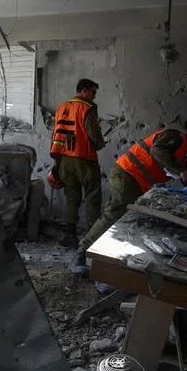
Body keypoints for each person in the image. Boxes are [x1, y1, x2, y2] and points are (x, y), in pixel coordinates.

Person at [70, 122, 187, 273]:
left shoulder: (180, 156)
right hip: (127, 174)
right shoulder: (175, 138)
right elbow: (157, 151)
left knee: (126, 220)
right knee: (113, 215)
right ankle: (81, 253)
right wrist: (181, 172)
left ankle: (108, 259)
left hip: (135, 181)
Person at [49, 78, 107, 246]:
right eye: (93, 93)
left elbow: (55, 134)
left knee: (72, 197)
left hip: (64, 159)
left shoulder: (61, 107)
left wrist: (57, 162)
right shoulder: (87, 108)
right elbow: (93, 134)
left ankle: (69, 236)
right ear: (84, 90)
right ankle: (92, 238)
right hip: (84, 158)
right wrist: (100, 144)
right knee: (93, 196)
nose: (94, 97)